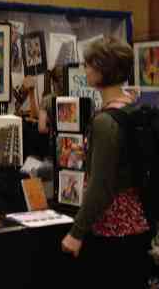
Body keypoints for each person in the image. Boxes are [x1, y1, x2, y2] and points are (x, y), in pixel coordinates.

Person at [60, 37, 152, 287]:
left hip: (113, 228)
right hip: (139, 219)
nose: (86, 69)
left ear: (102, 69)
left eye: (89, 65)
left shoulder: (104, 121)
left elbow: (101, 186)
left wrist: (76, 233)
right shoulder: (133, 108)